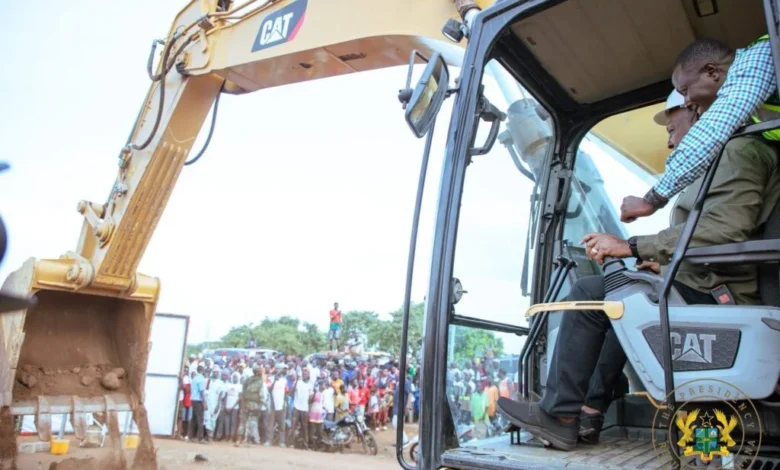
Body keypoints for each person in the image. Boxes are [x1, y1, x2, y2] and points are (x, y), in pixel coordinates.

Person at [497, 89, 780, 451]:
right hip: (708, 281)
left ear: (693, 111)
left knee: (589, 291)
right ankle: (587, 411)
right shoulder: (723, 158)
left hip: (723, 294)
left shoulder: (739, 151)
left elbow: (725, 230)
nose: (669, 137)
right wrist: (661, 262)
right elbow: (713, 236)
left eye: (671, 124)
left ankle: (559, 415)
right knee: (625, 293)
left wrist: (631, 246)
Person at [621, 36, 780, 223]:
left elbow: (714, 128)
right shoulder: (753, 110)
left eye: (685, 90)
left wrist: (651, 200)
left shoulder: (760, 57)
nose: (687, 101)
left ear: (711, 72)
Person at [236, 364, 265, 446]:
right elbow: (261, 394)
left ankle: (239, 440)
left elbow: (243, 392)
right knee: (251, 422)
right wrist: (263, 403)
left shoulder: (248, 380)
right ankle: (247, 441)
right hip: (254, 404)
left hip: (245, 403)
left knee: (243, 422)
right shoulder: (260, 382)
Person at [291, 369, 314, 449]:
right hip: (296, 407)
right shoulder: (298, 382)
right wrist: (296, 380)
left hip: (304, 408)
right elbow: (291, 392)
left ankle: (305, 445)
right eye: (303, 374)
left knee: (304, 427)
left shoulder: (310, 385)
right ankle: (291, 443)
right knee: (293, 426)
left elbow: (310, 398)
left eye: (306, 374)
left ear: (308, 375)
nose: (304, 375)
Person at [217, 372, 241, 442]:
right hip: (227, 406)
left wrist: (232, 407)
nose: (235, 378)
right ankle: (227, 436)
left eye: (236, 377)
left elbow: (239, 398)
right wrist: (225, 405)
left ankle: (231, 437)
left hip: (235, 407)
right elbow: (226, 396)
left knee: (233, 423)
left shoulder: (240, 386)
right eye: (234, 377)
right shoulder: (228, 385)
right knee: (227, 422)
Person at [189, 365, 208, 443]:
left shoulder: (194, 378)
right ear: (203, 370)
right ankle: (200, 438)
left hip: (193, 399)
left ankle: (190, 436)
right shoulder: (201, 379)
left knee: (193, 418)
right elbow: (201, 392)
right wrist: (205, 403)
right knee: (200, 419)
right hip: (199, 400)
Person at [270, 368, 288, 448]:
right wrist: (274, 380)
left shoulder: (284, 381)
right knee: (270, 424)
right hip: (273, 404)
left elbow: (287, 392)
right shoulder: (270, 379)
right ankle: (269, 440)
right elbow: (269, 389)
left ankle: (282, 442)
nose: (278, 373)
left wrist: (285, 403)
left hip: (281, 405)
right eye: (277, 371)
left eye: (279, 371)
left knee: (281, 425)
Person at [309, 380, 325, 450]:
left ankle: (318, 445)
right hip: (313, 413)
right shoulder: (314, 393)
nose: (324, 386)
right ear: (320, 386)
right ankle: (311, 445)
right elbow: (310, 401)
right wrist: (315, 393)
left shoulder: (323, 394)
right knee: (312, 430)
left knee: (319, 431)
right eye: (323, 385)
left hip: (319, 414)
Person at [178, 365, 192, 440]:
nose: (185, 371)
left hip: (184, 400)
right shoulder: (185, 378)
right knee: (181, 417)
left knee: (183, 417)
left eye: (186, 370)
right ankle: (180, 433)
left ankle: (182, 433)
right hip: (183, 400)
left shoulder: (186, 379)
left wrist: (181, 380)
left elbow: (186, 390)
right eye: (184, 370)